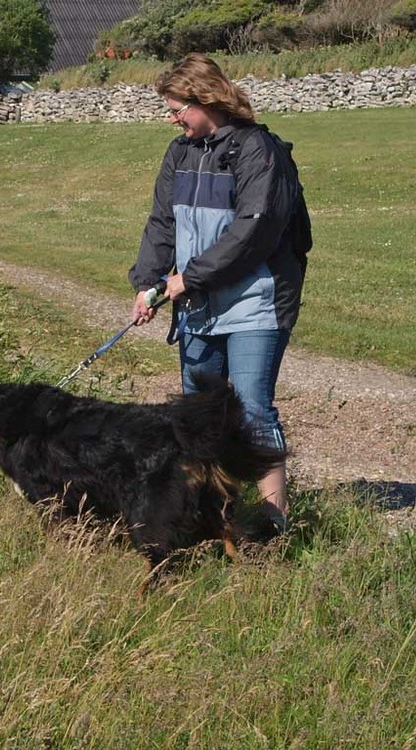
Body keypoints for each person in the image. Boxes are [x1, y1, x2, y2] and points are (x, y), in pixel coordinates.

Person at [129, 53, 308, 531]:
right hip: (198, 305)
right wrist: (148, 282)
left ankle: (274, 521)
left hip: (256, 301)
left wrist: (188, 278)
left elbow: (254, 230)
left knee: (252, 407)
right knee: (199, 417)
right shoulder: (178, 153)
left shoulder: (258, 150)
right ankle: (210, 518)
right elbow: (162, 223)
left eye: (177, 108)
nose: (172, 118)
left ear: (205, 98)